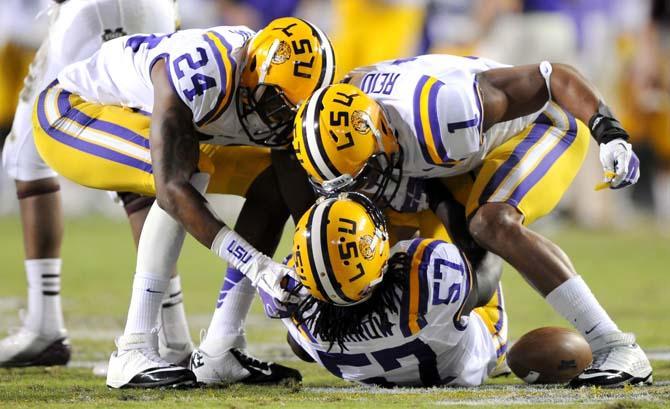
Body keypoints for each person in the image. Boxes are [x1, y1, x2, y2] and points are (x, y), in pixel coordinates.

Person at [292, 55, 652, 387]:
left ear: (381, 137)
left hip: (541, 124)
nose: (363, 190)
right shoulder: (342, 129)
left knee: (491, 223)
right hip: (446, 162)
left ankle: (614, 344)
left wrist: (609, 132)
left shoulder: (442, 112)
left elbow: (551, 76)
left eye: (365, 176)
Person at [32, 16, 335, 388]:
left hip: (144, 120)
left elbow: (293, 181)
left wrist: (319, 270)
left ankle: (222, 348)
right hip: (70, 112)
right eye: (274, 104)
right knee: (189, 171)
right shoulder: (204, 71)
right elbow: (172, 190)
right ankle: (133, 347)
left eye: (292, 112)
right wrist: (259, 267)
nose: (280, 118)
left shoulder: (281, 91)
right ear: (252, 73)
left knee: (269, 179)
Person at [1, 0, 179, 368]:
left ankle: (44, 323)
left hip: (92, 10)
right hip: (156, 9)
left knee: (26, 153)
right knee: (143, 153)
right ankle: (172, 333)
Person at [265, 193, 508, 387]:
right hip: (471, 358)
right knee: (476, 229)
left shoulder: (302, 312)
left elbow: (300, 348)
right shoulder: (428, 277)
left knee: (300, 340)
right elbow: (484, 279)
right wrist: (437, 194)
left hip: (387, 362)